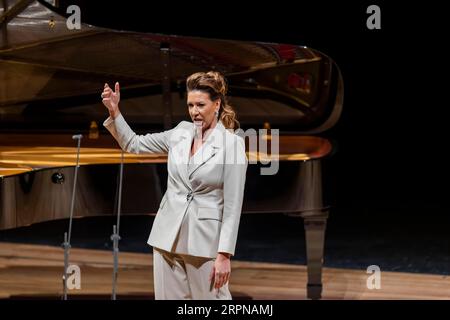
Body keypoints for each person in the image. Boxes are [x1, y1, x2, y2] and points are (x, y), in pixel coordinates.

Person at [101, 71, 248, 300]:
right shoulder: (180, 132)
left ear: (216, 104)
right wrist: (115, 111)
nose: (194, 112)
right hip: (166, 238)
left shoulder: (232, 144)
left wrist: (224, 255)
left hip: (205, 243)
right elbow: (134, 144)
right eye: (190, 105)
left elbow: (232, 205)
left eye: (200, 105)